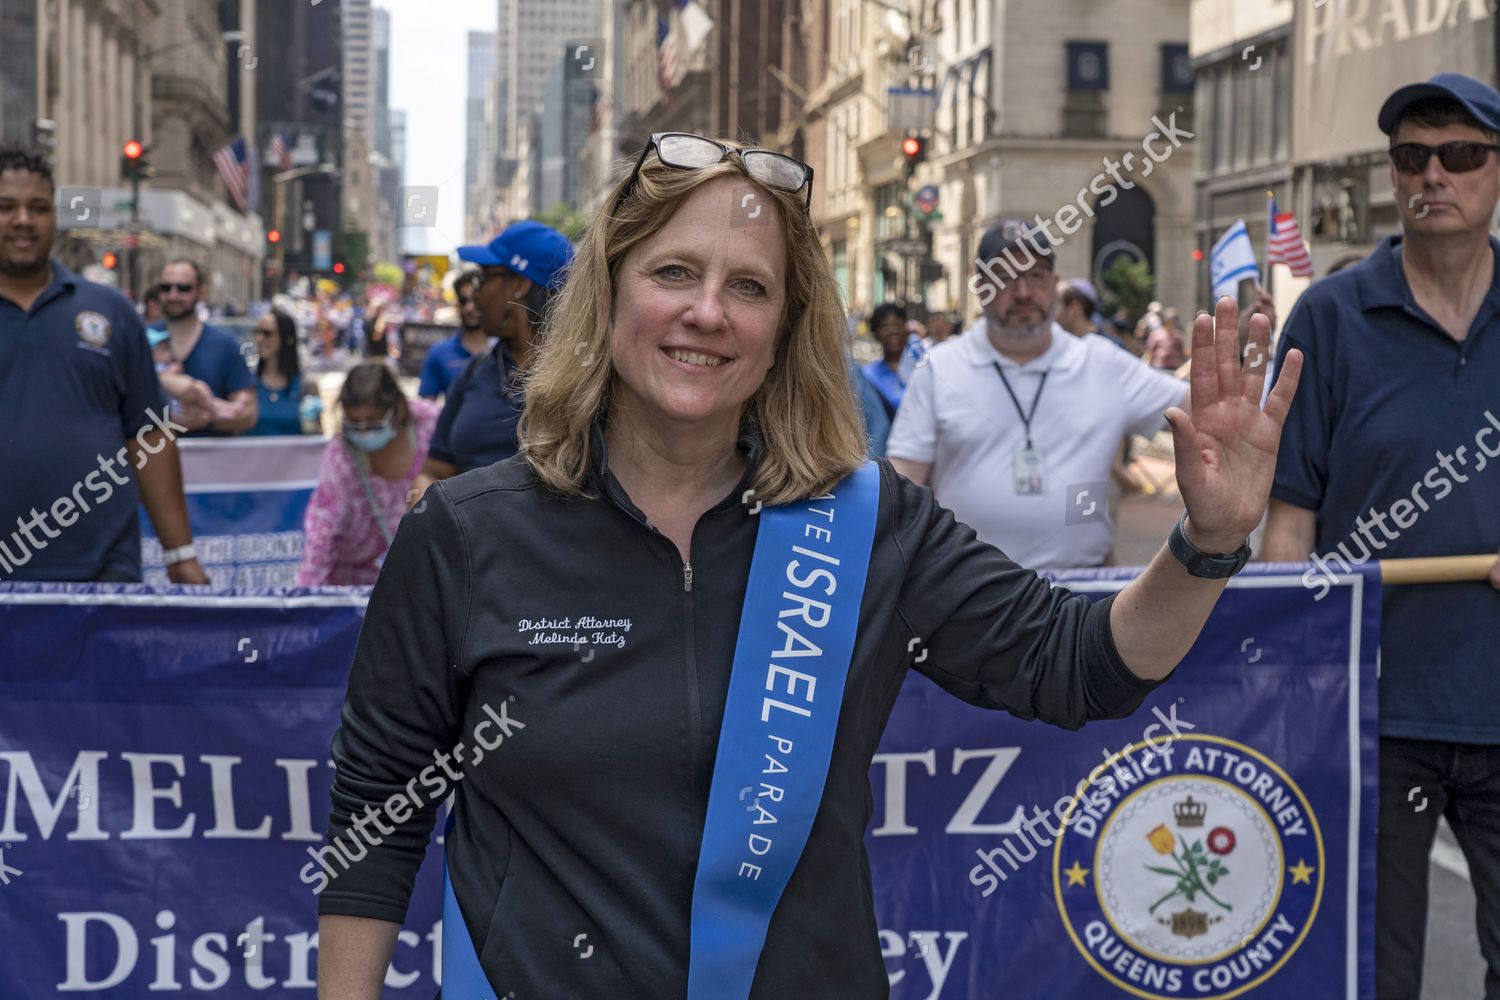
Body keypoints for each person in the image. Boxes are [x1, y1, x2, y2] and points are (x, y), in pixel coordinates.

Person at [314, 132, 1303, 997]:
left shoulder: (869, 527)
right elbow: (374, 819)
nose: (709, 312)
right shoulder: (463, 533)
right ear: (607, 294)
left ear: (786, 329)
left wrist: (1207, 540)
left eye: (749, 286)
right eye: (673, 273)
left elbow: (1081, 664)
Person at [1262, 72, 1500, 1000]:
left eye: (1461, 155)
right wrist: (1297, 673)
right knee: (1369, 967)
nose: (1432, 175)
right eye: (1411, 157)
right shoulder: (1330, 316)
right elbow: (1291, 520)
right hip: (1374, 715)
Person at [887, 219, 1192, 569]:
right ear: (981, 284)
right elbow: (903, 488)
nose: (1022, 292)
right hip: (969, 598)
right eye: (1005, 276)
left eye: (1035, 275)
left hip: (1081, 598)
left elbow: (1202, 412)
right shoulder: (938, 369)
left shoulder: (1102, 363)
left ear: (1055, 284)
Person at [0, 147, 208, 584]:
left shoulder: (110, 311)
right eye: (6, 207)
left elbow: (148, 436)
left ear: (54, 217)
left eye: (37, 208)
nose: (22, 220)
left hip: (102, 575)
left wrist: (181, 553)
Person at [414, 220, 574, 485]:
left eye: (483, 278)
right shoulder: (474, 372)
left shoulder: (585, 380)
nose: (474, 294)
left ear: (518, 285)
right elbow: (434, 470)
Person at [295, 363, 439, 586]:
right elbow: (322, 531)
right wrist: (305, 598)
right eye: (353, 423)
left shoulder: (431, 424)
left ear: (398, 410)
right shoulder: (341, 456)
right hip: (354, 580)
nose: (362, 432)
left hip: (425, 572)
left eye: (373, 422)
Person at [156, 259, 257, 435]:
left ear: (201, 292)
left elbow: (248, 414)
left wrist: (205, 420)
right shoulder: (140, 339)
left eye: (183, 288)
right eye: (166, 288)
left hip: (212, 459)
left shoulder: (225, 345)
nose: (173, 295)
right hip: (149, 459)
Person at [248, 309, 322, 436]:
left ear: (288, 339)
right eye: (257, 332)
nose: (259, 338)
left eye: (268, 333)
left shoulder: (306, 386)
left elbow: (316, 438)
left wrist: (313, 424)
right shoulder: (246, 383)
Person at [417, 271, 490, 400]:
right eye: (464, 300)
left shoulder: (506, 351)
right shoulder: (439, 353)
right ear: (457, 304)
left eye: (476, 300)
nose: (470, 307)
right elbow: (426, 408)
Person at [1057, 277, 1134, 354]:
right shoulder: (1058, 347)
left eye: (1055, 304)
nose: (1049, 310)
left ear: (1074, 308)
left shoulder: (1113, 350)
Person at [860, 302, 909, 418]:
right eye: (885, 326)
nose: (893, 331)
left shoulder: (920, 369)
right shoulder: (868, 375)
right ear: (875, 334)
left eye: (898, 325)